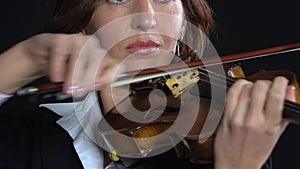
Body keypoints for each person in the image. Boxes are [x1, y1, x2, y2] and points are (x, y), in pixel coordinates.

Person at [0, 0, 296, 169]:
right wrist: (26, 58)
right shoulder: (28, 136)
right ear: (82, 20)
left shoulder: (223, 139)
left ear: (183, 21)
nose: (148, 19)